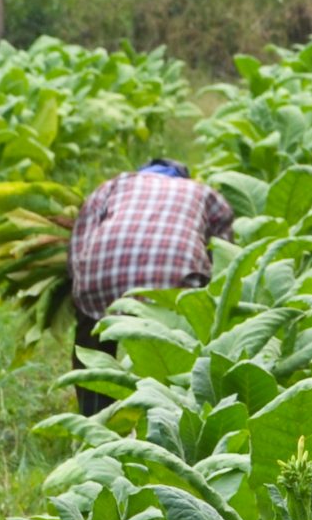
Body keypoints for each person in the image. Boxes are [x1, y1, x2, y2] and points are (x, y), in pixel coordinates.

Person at [67, 159, 235, 416]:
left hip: (103, 274)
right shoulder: (203, 192)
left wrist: (79, 288)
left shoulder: (114, 185)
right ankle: (171, 418)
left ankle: (93, 419)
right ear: (182, 177)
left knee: (90, 338)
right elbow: (224, 260)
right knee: (174, 348)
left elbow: (79, 242)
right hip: (172, 282)